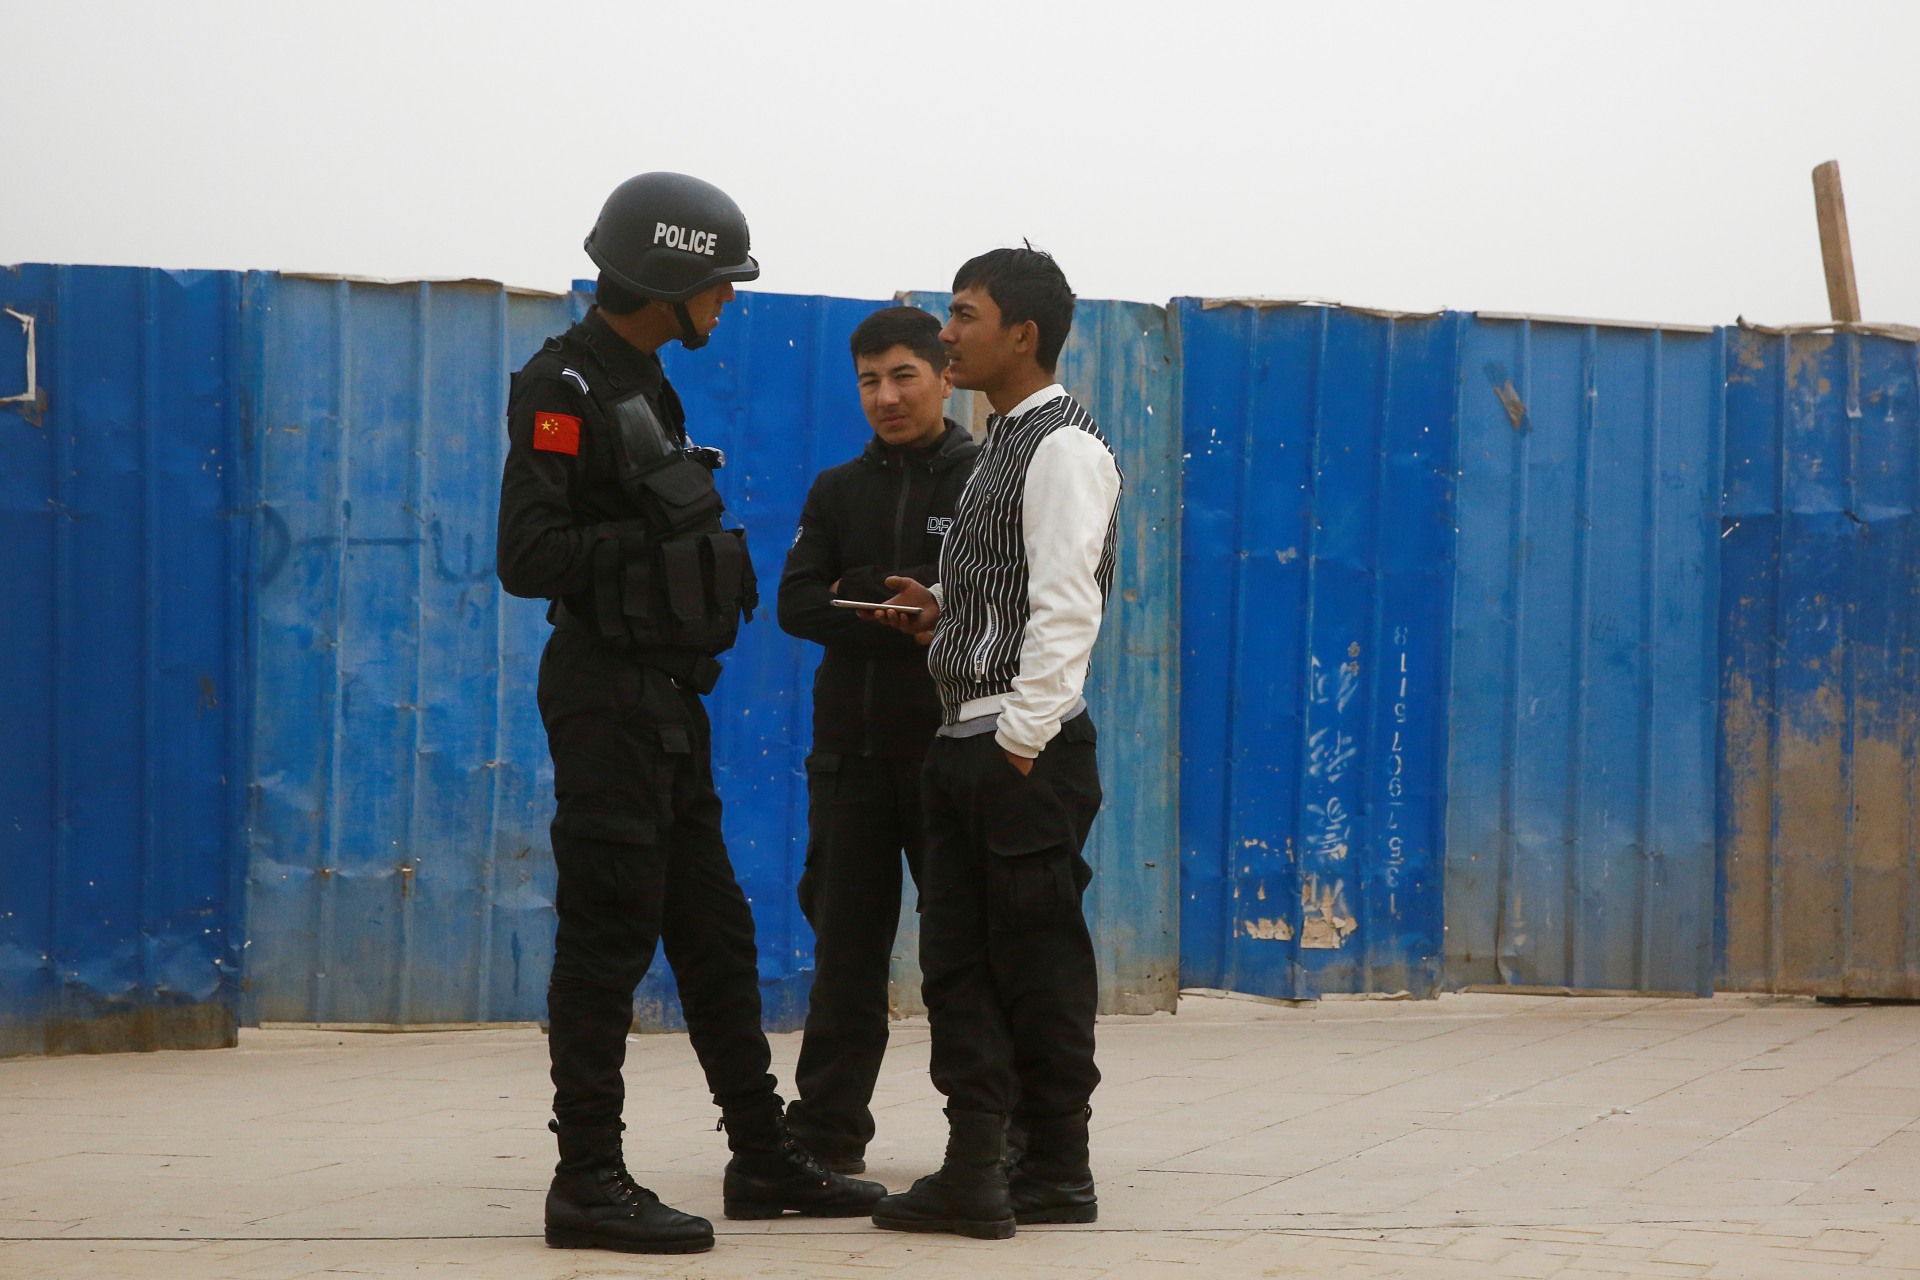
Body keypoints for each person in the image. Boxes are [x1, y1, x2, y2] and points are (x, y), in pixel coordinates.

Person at [494, 171, 884, 1256]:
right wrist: (657, 539)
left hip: (667, 701)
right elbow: (527, 555)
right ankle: (587, 1179)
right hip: (605, 694)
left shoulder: (646, 383)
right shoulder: (563, 383)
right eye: (716, 283)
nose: (727, 302)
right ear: (666, 279)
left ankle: (762, 1154)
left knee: (715, 935)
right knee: (607, 935)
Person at [864, 248, 1122, 1240]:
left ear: (1022, 332)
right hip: (966, 736)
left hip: (1020, 749)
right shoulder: (1000, 444)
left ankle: (1057, 1161)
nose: (945, 333)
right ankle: (979, 1162)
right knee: (959, 964)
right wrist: (945, 609)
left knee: (1037, 959)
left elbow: (1070, 607)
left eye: (964, 315)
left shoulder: (1062, 447)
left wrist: (1019, 738)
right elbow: (1015, 593)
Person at [776, 306, 979, 1174]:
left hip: (949, 756)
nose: (886, 396)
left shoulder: (984, 481)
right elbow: (795, 604)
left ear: (942, 375)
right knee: (845, 958)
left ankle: (982, 1137)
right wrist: (895, 609)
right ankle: (825, 1138)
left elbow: (992, 605)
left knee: (962, 958)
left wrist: (856, 599)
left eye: (904, 375)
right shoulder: (836, 490)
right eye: (869, 380)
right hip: (849, 762)